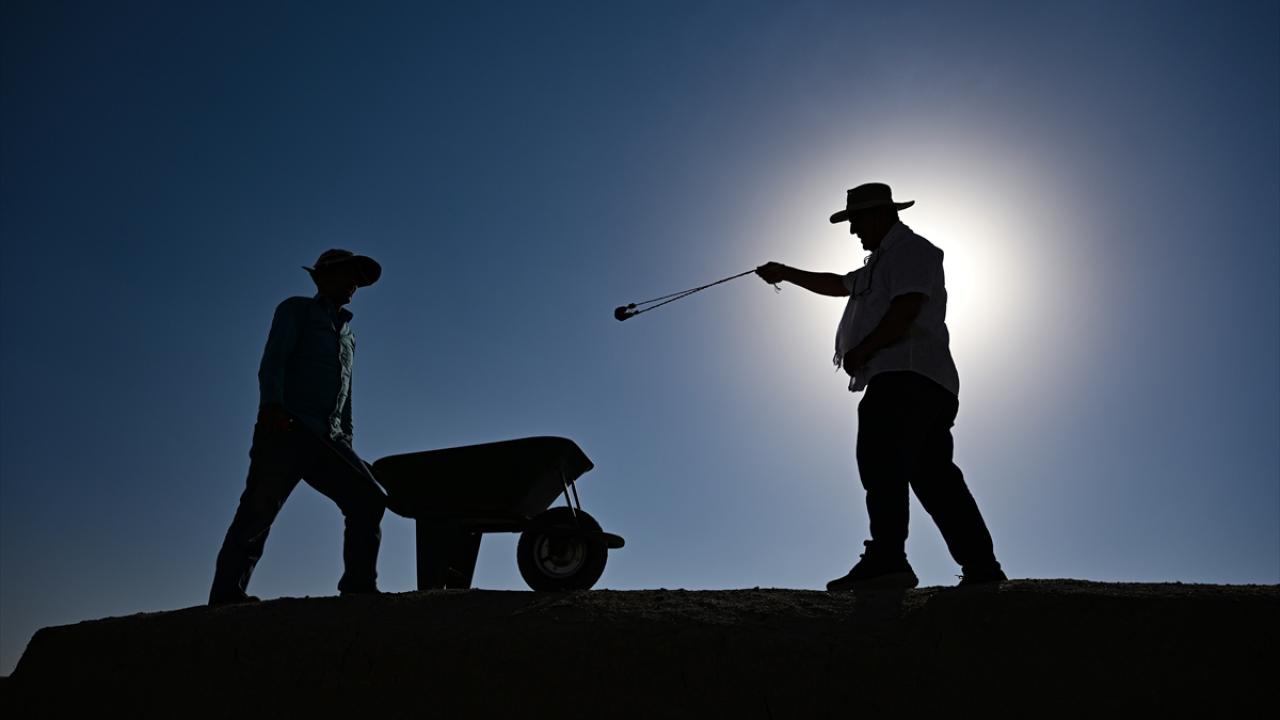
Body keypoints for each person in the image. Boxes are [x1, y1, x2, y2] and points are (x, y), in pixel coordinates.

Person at [756, 183, 1006, 590]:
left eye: (855, 221)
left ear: (875, 215)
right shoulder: (880, 262)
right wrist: (786, 273)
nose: (853, 230)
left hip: (905, 376)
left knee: (881, 461)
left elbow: (907, 307)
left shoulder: (912, 250)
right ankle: (981, 568)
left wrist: (863, 350)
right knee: (935, 478)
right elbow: (839, 284)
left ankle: (889, 559)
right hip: (925, 381)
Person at [208, 249, 388, 605]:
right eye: (346, 275)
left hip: (328, 438)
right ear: (322, 278)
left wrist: (346, 437)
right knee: (258, 510)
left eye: (357, 278)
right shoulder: (296, 310)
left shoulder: (349, 336)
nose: (353, 284)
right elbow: (274, 360)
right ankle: (226, 595)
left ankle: (358, 587)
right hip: (287, 427)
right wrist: (272, 406)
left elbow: (345, 392)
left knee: (369, 498)